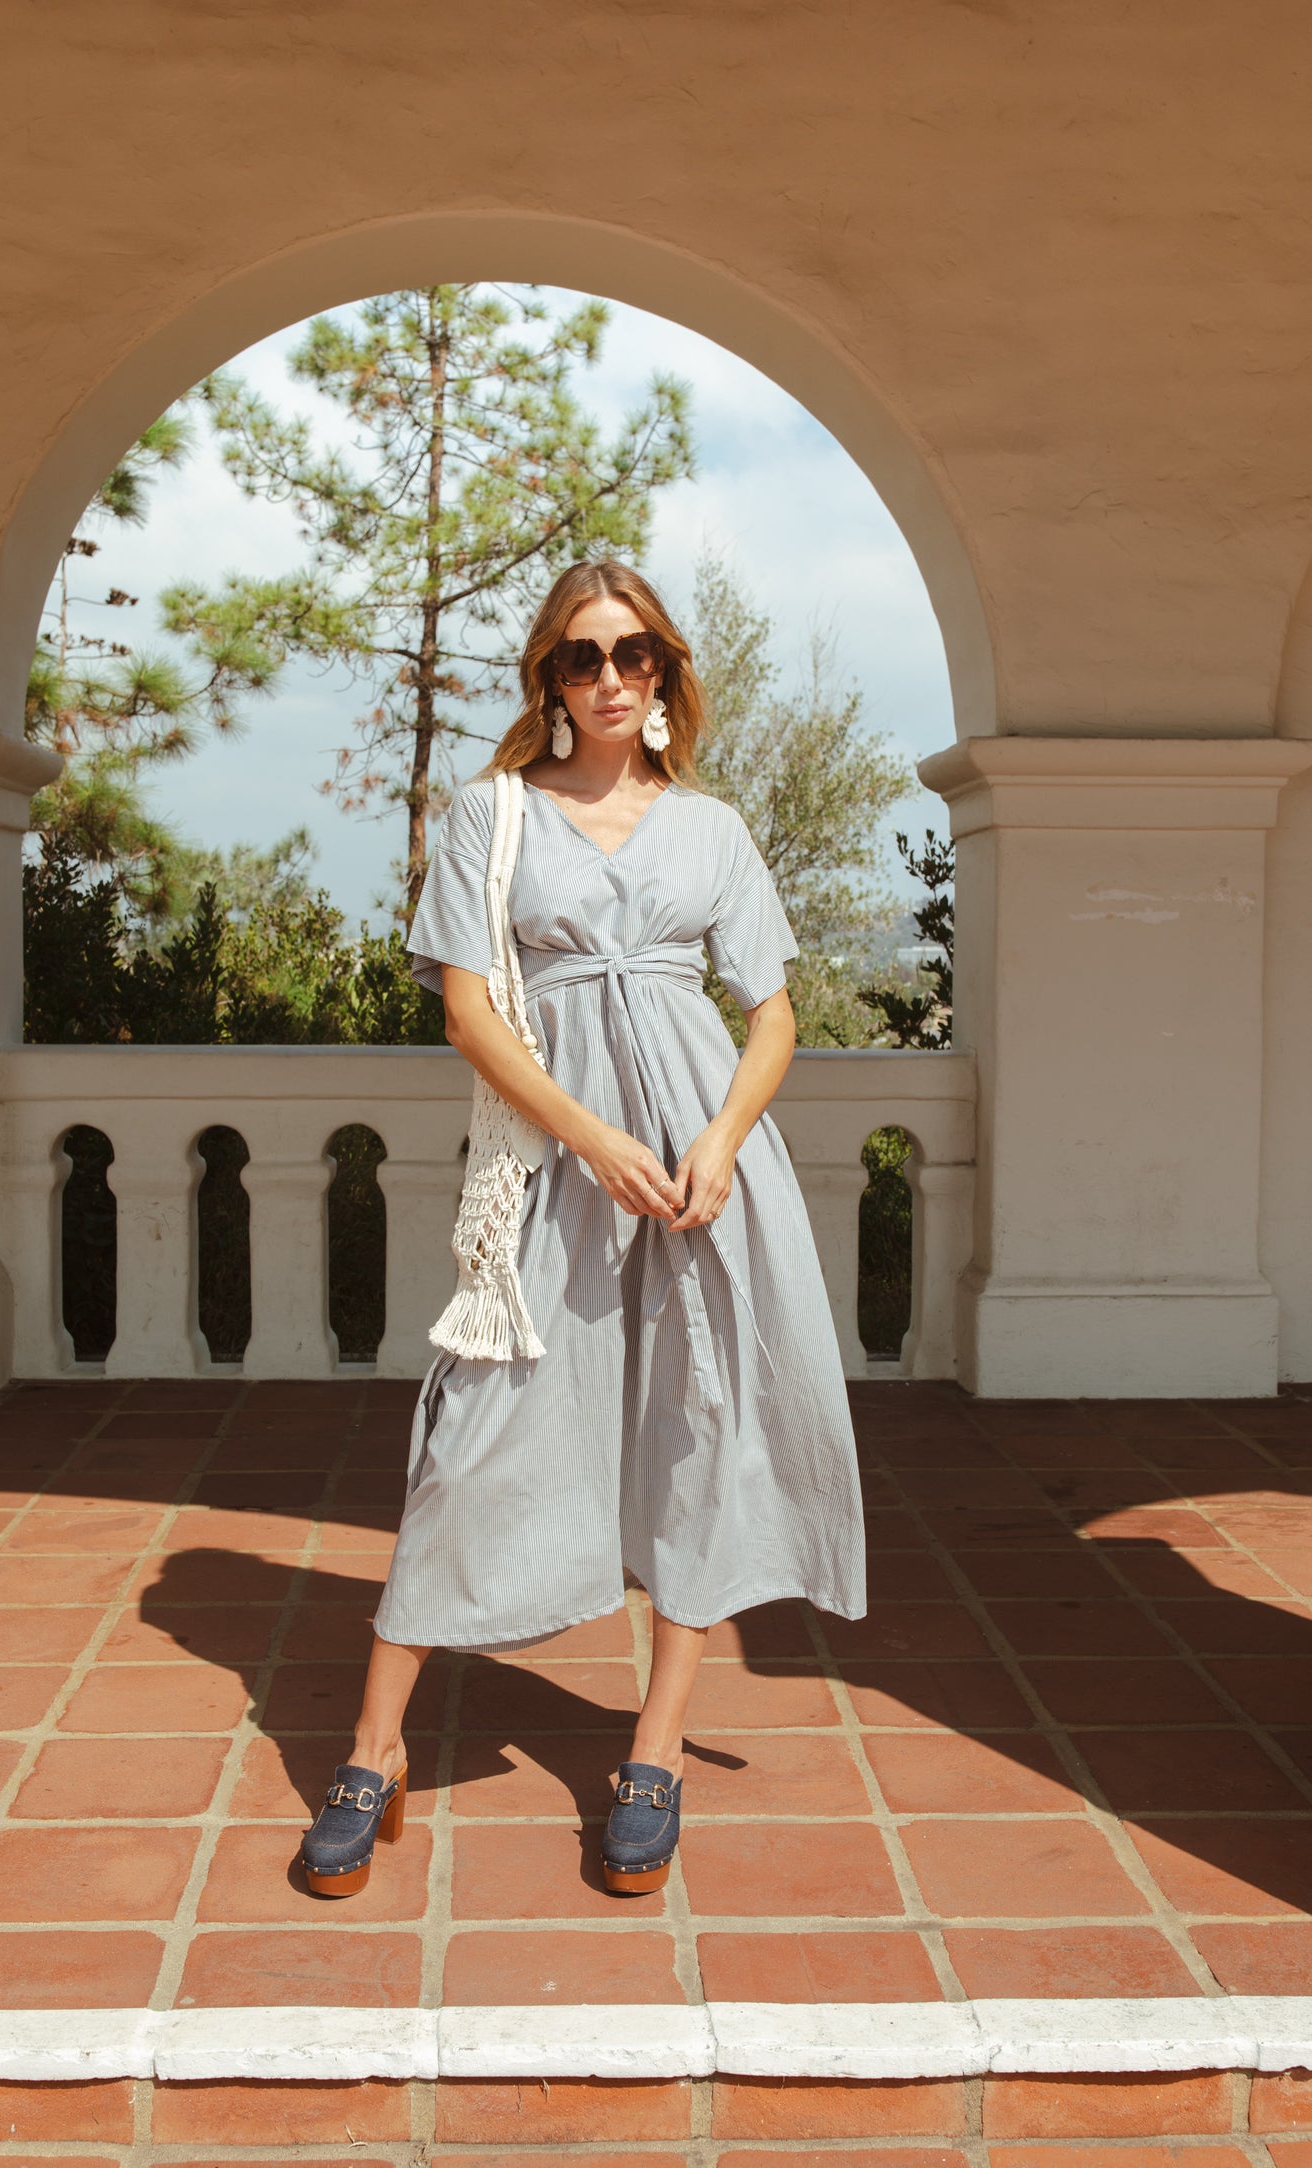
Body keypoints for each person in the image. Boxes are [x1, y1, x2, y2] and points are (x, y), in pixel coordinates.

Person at [300, 558, 865, 1899]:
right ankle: (371, 1752)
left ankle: (651, 1753)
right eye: (578, 657)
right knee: (471, 1446)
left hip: (702, 1181)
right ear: (545, 679)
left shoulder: (712, 830)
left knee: (698, 1438)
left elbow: (771, 1015)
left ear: (664, 671)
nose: (607, 678)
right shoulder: (490, 817)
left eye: (631, 655)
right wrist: (591, 1137)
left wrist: (715, 1144)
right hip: (562, 1173)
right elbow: (469, 1013)